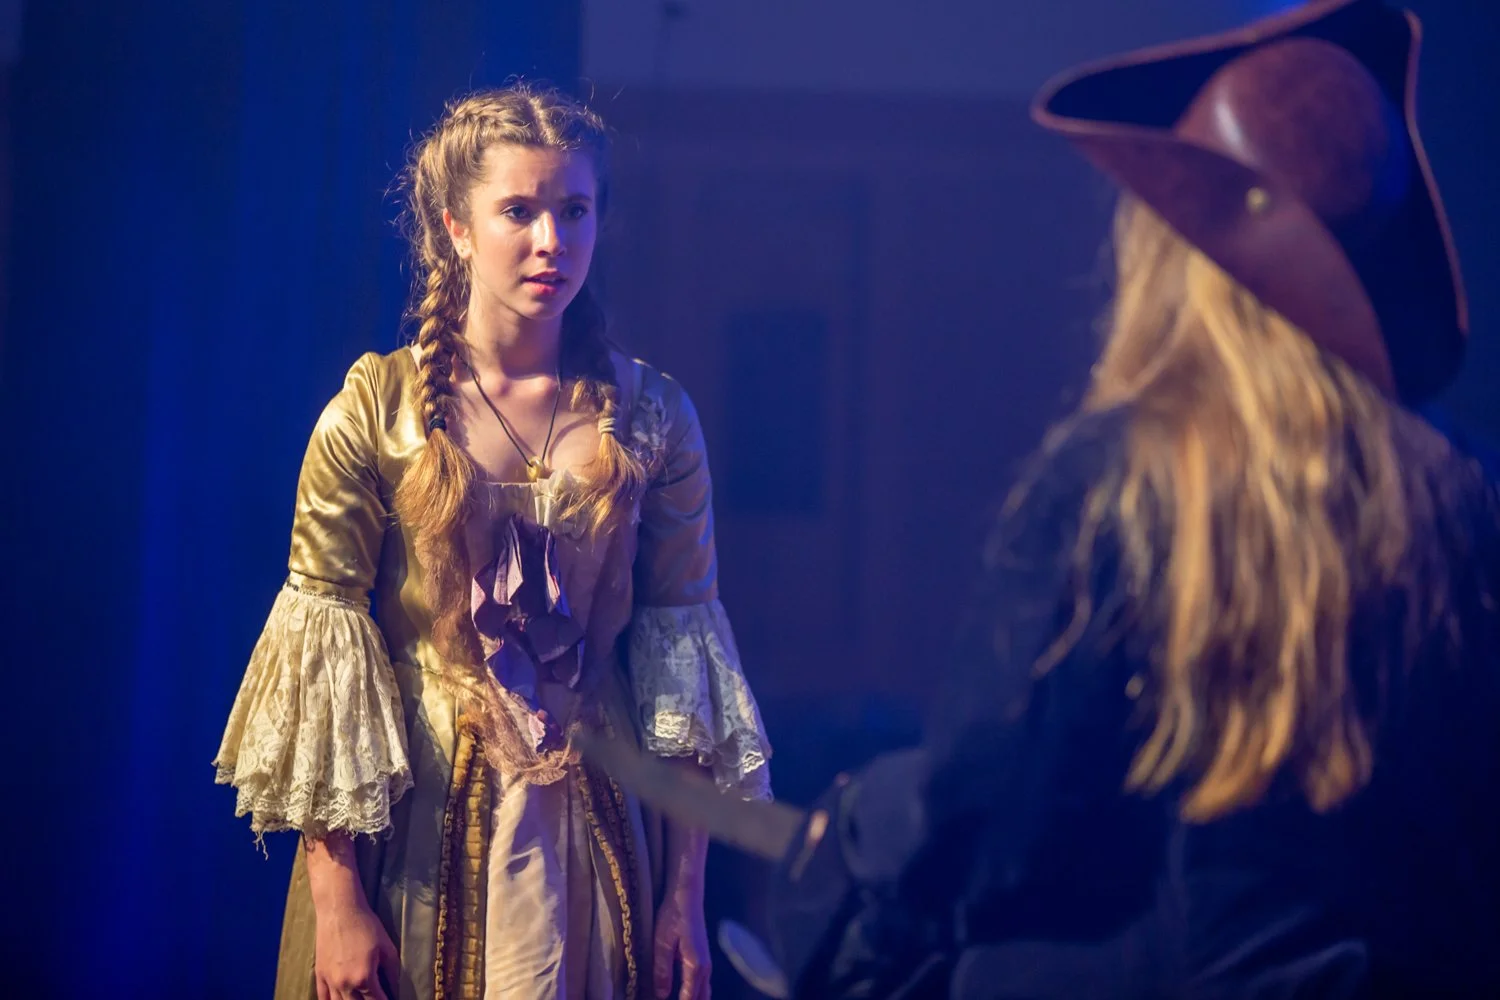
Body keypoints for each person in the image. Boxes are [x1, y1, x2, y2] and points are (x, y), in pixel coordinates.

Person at [750, 1, 1500, 996]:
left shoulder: (1122, 483)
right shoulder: (1464, 498)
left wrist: (856, 828)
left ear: (1169, 256)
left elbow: (994, 818)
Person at [213, 83, 774, 1000]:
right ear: (456, 228)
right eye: (519, 210)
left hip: (597, 839)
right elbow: (321, 671)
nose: (552, 240)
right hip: (417, 843)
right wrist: (338, 897)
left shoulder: (654, 419)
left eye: (574, 210)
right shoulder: (379, 410)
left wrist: (686, 896)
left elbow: (683, 671)